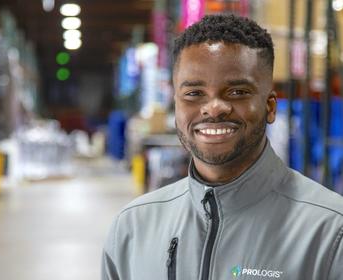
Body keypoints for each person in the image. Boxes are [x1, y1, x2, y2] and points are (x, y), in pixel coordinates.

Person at [101, 14, 343, 280]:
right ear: (177, 105)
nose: (214, 107)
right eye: (194, 94)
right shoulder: (133, 227)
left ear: (270, 106)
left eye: (237, 92)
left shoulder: (330, 231)